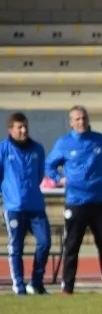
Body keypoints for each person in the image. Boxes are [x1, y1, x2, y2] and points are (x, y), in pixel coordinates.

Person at [45, 106, 102, 295]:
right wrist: (58, 179)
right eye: (77, 119)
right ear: (71, 122)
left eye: (83, 118)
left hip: (99, 201)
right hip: (76, 201)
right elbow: (49, 166)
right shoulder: (64, 143)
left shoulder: (100, 140)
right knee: (71, 246)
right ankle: (67, 287)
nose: (81, 122)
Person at [1, 113, 51, 296]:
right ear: (11, 130)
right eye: (19, 127)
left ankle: (36, 283)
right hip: (14, 207)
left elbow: (39, 176)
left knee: (45, 243)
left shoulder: (37, 149)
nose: (23, 130)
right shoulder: (3, 149)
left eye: (25, 126)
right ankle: (19, 285)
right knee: (16, 246)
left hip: (36, 206)